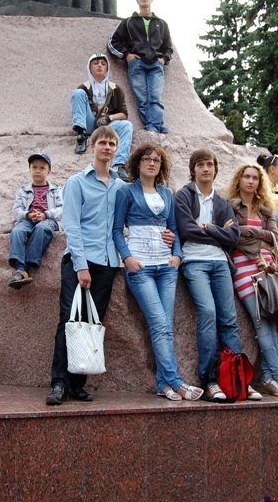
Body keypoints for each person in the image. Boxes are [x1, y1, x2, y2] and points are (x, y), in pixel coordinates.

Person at [112, 143, 202, 401]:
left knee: (165, 325)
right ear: (137, 163)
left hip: (166, 267)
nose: (152, 163)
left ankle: (163, 385)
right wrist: (127, 258)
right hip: (140, 268)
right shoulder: (126, 192)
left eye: (156, 160)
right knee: (160, 324)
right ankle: (176, 381)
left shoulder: (166, 194)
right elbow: (116, 230)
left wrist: (177, 255)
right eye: (147, 159)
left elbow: (173, 228)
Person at [46, 126, 126, 406]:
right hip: (79, 261)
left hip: (108, 263)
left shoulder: (120, 186)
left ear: (116, 149)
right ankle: (58, 383)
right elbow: (72, 226)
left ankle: (77, 383)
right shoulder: (76, 182)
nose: (107, 147)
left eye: (112, 144)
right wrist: (81, 266)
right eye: (102, 142)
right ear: (93, 147)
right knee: (69, 321)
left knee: (92, 323)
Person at [175, 149, 261, 402]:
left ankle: (237, 378)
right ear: (193, 169)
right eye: (200, 164)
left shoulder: (222, 202)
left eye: (209, 165)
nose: (205, 169)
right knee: (208, 313)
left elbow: (233, 237)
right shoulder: (183, 196)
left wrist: (208, 228)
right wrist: (217, 232)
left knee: (229, 320)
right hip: (195, 261)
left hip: (220, 263)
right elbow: (187, 230)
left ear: (215, 169)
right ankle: (210, 379)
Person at [226, 163, 278, 397]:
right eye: (246, 177)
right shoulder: (231, 206)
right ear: (239, 180)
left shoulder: (265, 208)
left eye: (255, 178)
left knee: (271, 321)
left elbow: (274, 237)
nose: (251, 181)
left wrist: (251, 234)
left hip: (268, 267)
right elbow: (234, 236)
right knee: (261, 322)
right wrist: (258, 238)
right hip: (243, 268)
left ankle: (269, 378)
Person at [107, 0, 172, 134]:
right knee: (142, 98)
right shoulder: (128, 22)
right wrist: (127, 55)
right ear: (137, 0)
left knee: (155, 96)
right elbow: (112, 42)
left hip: (156, 64)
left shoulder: (161, 23)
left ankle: (156, 125)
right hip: (137, 64)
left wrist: (164, 58)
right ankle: (151, 126)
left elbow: (168, 46)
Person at [70, 53, 134, 180]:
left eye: (103, 64)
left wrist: (109, 118)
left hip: (107, 125)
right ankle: (81, 135)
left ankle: (119, 164)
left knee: (127, 125)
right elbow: (80, 105)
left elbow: (124, 114)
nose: (99, 66)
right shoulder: (84, 87)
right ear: (90, 67)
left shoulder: (115, 88)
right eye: (96, 63)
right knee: (77, 93)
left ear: (107, 68)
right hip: (89, 123)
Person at [8, 152, 64, 289]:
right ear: (29, 169)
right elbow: (16, 211)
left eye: (42, 168)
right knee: (17, 231)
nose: (38, 171)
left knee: (41, 229)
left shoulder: (56, 190)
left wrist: (45, 214)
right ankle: (20, 267)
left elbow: (62, 209)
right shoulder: (23, 191)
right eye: (34, 167)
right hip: (28, 219)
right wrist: (27, 215)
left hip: (48, 219)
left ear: (49, 171)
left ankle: (25, 268)